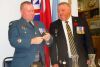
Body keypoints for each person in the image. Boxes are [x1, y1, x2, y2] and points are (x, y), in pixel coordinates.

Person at [49, 2, 95, 67]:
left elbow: (88, 41)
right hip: (64, 61)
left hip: (82, 59)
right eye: (58, 11)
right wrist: (54, 62)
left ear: (69, 10)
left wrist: (91, 58)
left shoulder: (81, 22)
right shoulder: (54, 25)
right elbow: (52, 46)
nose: (60, 13)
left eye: (63, 10)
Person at [8, 1, 52, 67]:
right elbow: (13, 41)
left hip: (40, 63)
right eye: (29, 11)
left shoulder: (40, 24)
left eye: (33, 10)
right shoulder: (15, 24)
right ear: (21, 11)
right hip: (23, 63)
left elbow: (49, 41)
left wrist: (48, 38)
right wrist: (31, 41)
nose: (32, 13)